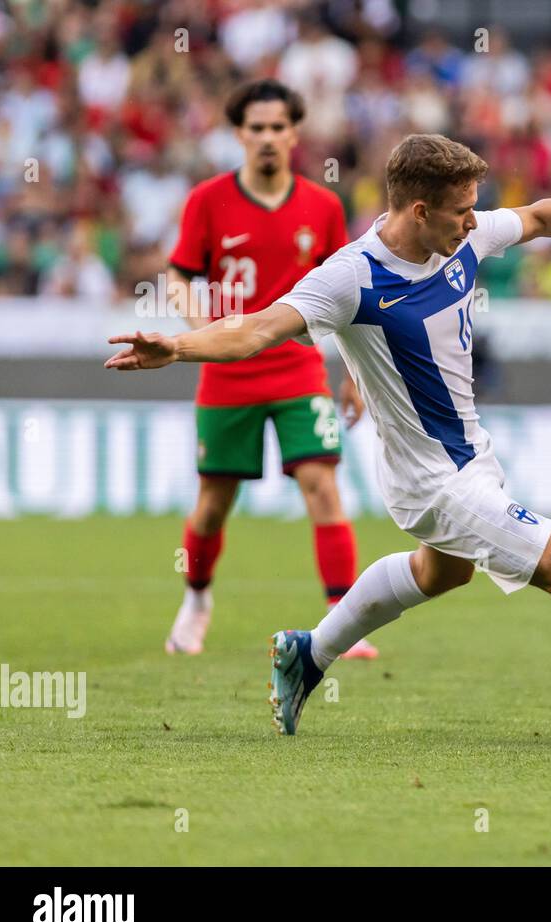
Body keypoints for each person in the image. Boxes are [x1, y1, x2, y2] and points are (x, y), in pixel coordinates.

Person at [107, 132, 551, 749]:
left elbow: (536, 218)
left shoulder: (461, 239)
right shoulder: (352, 277)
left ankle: (308, 652)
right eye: (461, 212)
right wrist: (176, 346)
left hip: (472, 461)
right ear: (419, 210)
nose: (474, 222)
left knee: (439, 571)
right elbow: (256, 329)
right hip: (432, 481)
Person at [164, 78, 373, 659]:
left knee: (322, 485)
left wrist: (355, 373)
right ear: (239, 134)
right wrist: (196, 318)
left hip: (297, 368)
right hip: (227, 372)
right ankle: (198, 598)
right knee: (213, 502)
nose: (267, 138)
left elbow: (349, 293)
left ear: (294, 133)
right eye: (255, 127)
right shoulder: (207, 200)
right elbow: (180, 272)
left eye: (278, 127)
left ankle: (340, 618)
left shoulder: (323, 205)